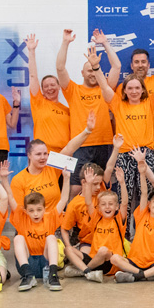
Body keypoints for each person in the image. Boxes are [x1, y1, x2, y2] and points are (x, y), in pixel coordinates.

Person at [89, 42, 154, 213]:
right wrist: (96, 68)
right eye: (130, 88)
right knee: (124, 196)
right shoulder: (117, 104)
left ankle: (145, 226)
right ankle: (125, 228)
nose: (134, 91)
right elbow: (104, 86)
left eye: (137, 88)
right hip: (124, 155)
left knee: (147, 194)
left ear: (142, 90)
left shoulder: (151, 103)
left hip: (146, 154)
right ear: (125, 91)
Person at [56, 28, 121, 193]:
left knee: (103, 188)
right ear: (82, 73)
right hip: (80, 145)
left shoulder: (106, 88)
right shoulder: (73, 90)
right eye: (89, 70)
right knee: (76, 188)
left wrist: (105, 43)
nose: (93, 74)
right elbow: (60, 68)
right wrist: (65, 42)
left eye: (95, 70)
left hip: (105, 144)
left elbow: (116, 66)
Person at [111, 149, 154, 283]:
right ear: (149, 204)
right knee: (114, 258)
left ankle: (136, 276)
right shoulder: (142, 214)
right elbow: (144, 193)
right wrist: (142, 173)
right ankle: (147, 275)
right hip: (134, 261)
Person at [9, 112, 95, 211]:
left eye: (45, 154)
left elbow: (69, 148)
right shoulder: (18, 180)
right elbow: (19, 211)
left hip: (55, 219)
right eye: (38, 154)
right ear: (29, 155)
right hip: (33, 220)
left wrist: (87, 130)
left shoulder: (51, 168)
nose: (43, 157)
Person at [6, 166, 72, 292]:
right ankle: (28, 276)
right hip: (28, 263)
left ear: (44, 209)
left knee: (51, 237)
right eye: (31, 210)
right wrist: (4, 179)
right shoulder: (22, 217)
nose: (35, 214)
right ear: (26, 211)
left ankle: (53, 275)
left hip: (46, 263)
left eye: (39, 210)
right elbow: (10, 197)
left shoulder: (50, 217)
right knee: (18, 238)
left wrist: (66, 178)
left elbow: (64, 199)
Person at [117, 40, 154, 180]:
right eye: (136, 62)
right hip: (130, 144)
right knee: (130, 183)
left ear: (148, 65)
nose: (140, 65)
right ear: (131, 65)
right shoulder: (122, 88)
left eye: (143, 62)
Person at [79, 164, 129, 283]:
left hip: (110, 263)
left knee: (103, 250)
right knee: (69, 250)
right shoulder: (96, 218)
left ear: (116, 207)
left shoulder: (118, 219)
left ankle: (83, 271)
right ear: (99, 208)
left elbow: (125, 203)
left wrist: (122, 183)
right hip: (95, 259)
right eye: (103, 204)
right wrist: (89, 184)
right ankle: (90, 271)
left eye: (111, 204)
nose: (107, 207)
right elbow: (88, 202)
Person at [24, 33, 71, 152]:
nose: (50, 88)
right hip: (44, 153)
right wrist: (31, 51)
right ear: (42, 90)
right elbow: (33, 76)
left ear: (59, 87)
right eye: (46, 86)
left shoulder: (67, 110)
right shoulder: (38, 102)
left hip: (64, 154)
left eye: (53, 85)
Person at [59, 161, 105, 276]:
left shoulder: (102, 195)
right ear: (84, 182)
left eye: (100, 183)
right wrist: (68, 245)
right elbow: (64, 228)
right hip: (87, 243)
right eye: (95, 184)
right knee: (70, 251)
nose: (98, 187)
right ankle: (87, 270)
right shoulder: (74, 204)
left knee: (104, 254)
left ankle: (79, 270)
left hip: (104, 239)